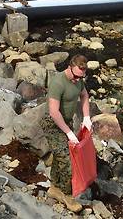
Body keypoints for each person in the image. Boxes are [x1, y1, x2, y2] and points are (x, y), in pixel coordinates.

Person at [40, 54, 92, 213]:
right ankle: (68, 195)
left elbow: (84, 95)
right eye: (76, 76)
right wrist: (69, 133)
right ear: (70, 67)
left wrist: (87, 117)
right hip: (52, 124)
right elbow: (54, 112)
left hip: (66, 122)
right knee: (67, 159)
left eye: (81, 77)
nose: (77, 80)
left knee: (60, 155)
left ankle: (55, 187)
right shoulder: (58, 82)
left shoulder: (79, 79)